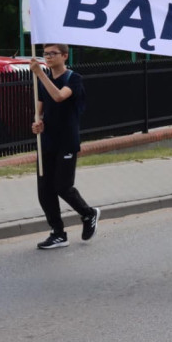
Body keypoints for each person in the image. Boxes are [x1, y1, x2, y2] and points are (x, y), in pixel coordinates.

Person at [29, 44, 100, 250]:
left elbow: (59, 96)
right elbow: (40, 107)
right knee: (45, 190)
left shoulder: (73, 79)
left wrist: (40, 73)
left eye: (53, 53)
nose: (48, 57)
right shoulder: (42, 79)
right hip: (47, 141)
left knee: (62, 186)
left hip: (66, 141)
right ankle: (58, 233)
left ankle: (88, 213)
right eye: (46, 54)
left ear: (64, 56)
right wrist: (37, 121)